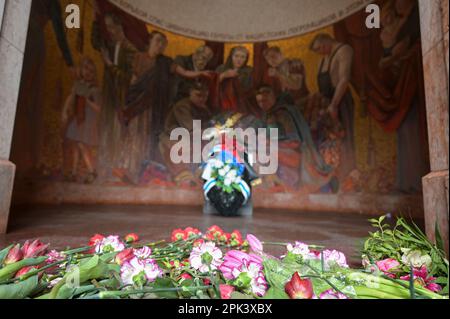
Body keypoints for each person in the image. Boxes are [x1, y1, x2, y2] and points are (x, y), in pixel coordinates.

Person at [117, 31, 211, 183]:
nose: (160, 45)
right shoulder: (138, 58)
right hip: (137, 106)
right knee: (135, 136)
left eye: (163, 43)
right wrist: (129, 100)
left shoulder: (165, 62)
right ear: (150, 41)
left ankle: (143, 172)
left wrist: (199, 73)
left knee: (149, 138)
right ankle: (130, 170)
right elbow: (133, 82)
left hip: (155, 108)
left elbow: (184, 72)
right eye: (158, 41)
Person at [254, 85, 336, 193]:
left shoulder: (283, 114)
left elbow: (295, 143)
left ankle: (283, 186)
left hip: (298, 152)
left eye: (264, 100)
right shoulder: (268, 115)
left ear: (272, 97)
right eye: (259, 102)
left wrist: (274, 145)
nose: (262, 105)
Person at [91, 12, 137, 183]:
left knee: (119, 133)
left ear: (120, 26)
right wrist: (96, 19)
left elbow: (129, 77)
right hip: (109, 96)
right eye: (107, 26)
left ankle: (118, 170)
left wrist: (110, 65)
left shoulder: (130, 49)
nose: (109, 30)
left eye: (111, 26)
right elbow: (96, 43)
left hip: (122, 99)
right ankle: (104, 168)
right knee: (106, 131)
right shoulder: (110, 45)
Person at [310, 33, 356, 180]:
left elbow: (344, 79)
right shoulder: (323, 59)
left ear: (325, 43)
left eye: (319, 49)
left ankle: (347, 174)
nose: (319, 53)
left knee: (344, 136)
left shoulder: (344, 50)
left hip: (340, 101)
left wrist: (334, 105)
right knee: (327, 140)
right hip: (326, 104)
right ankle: (331, 175)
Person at [159, 82, 213, 187]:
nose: (202, 99)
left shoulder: (204, 109)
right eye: (198, 95)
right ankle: (185, 179)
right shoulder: (182, 106)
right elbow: (192, 130)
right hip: (173, 140)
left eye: (205, 96)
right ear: (190, 93)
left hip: (192, 141)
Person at [61, 57, 102, 184]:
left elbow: (99, 108)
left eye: (90, 71)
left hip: (88, 121)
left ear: (94, 73)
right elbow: (71, 97)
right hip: (78, 119)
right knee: (75, 146)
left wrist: (88, 101)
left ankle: (92, 171)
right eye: (85, 69)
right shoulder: (78, 85)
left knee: (82, 146)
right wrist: (64, 110)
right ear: (81, 70)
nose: (87, 73)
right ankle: (74, 172)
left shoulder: (95, 89)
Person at [214, 46, 253, 112]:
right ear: (231, 56)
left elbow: (249, 89)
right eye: (236, 56)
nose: (239, 59)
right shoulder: (221, 68)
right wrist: (223, 76)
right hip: (221, 102)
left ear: (246, 59)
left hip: (240, 104)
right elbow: (212, 85)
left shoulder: (249, 71)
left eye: (242, 57)